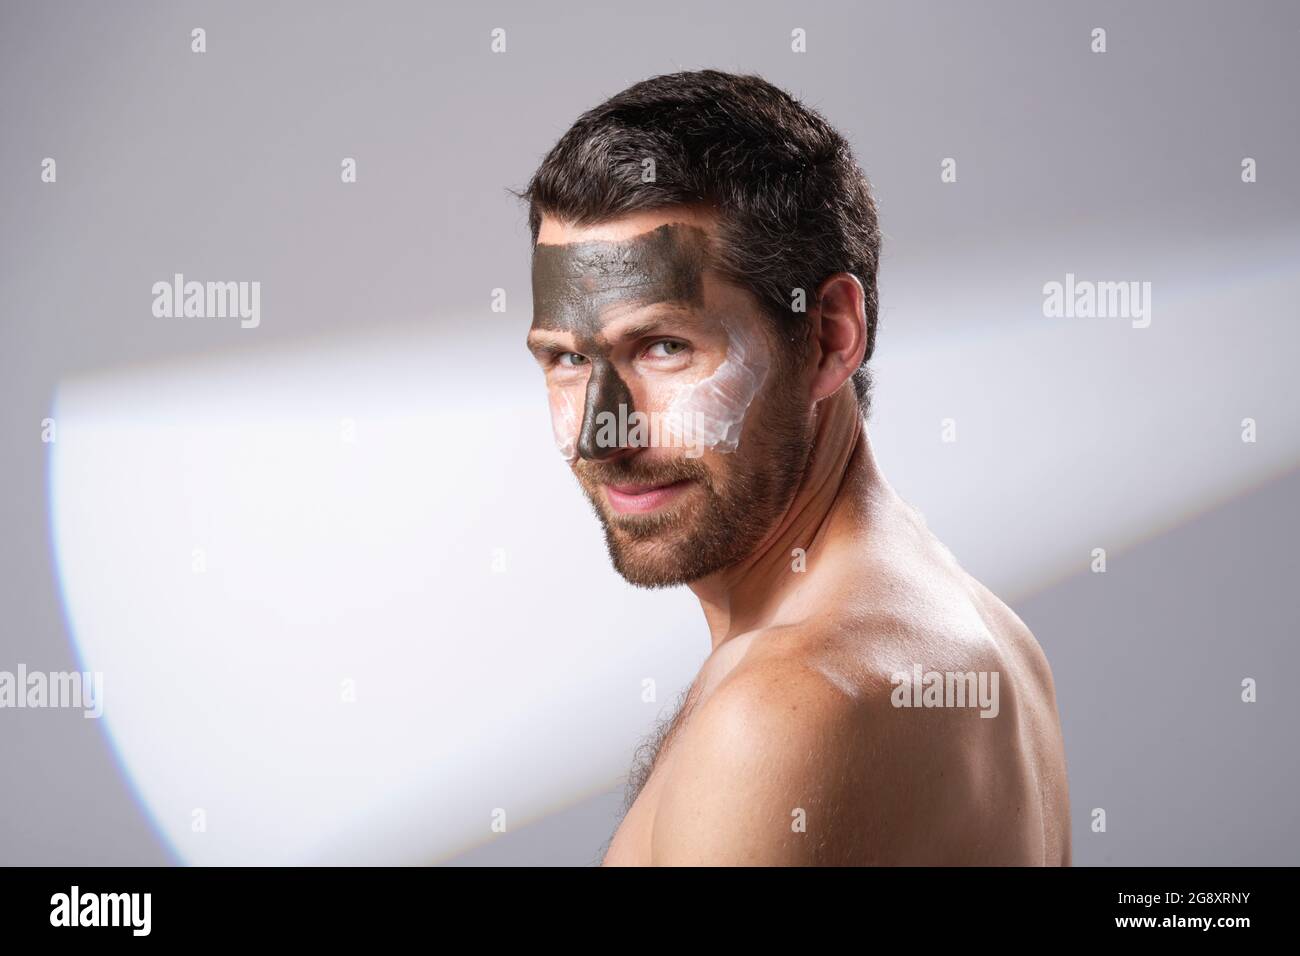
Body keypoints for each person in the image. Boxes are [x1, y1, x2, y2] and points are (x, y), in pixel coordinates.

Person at [519, 69, 1070, 865]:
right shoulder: (980, 633)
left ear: (830, 336)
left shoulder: (786, 710)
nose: (602, 435)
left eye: (664, 347)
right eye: (568, 358)